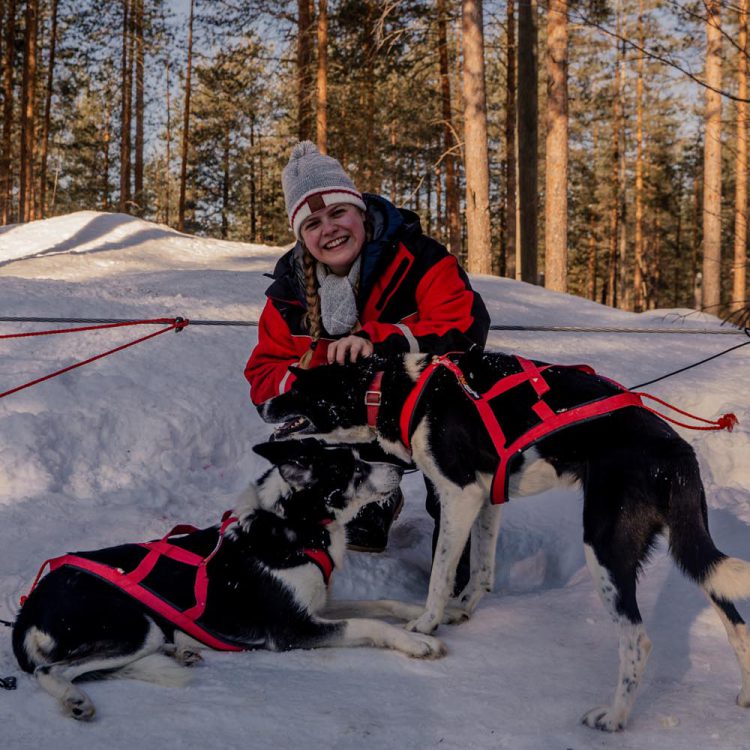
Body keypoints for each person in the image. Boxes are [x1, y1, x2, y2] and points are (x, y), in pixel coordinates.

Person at [244, 141, 489, 579]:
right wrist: (318, 374)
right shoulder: (287, 295)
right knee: (319, 424)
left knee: (450, 453)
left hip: (429, 409)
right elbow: (263, 377)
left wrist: (383, 342)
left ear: (360, 210)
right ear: (302, 236)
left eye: (338, 213)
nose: (329, 230)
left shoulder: (420, 258)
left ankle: (456, 567)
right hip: (358, 422)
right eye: (313, 223)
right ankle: (369, 506)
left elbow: (465, 330)